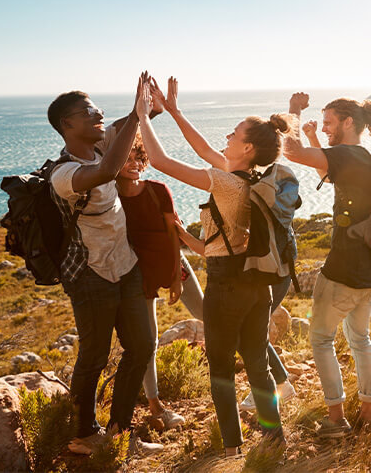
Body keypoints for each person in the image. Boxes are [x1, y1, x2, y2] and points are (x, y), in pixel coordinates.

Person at [134, 81, 288, 459]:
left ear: (247, 148)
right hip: (256, 285)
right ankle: (274, 439)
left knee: (220, 367)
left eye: (233, 134)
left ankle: (233, 448)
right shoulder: (250, 180)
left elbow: (161, 162)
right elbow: (215, 245)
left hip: (226, 288)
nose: (227, 137)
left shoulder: (224, 182)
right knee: (256, 363)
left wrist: (142, 117)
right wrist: (173, 111)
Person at [46, 73, 162, 456]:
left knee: (142, 345)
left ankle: (119, 433)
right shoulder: (63, 174)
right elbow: (109, 171)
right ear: (67, 124)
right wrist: (133, 115)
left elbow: (139, 121)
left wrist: (146, 108)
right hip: (90, 274)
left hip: (125, 265)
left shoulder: (103, 144)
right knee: (94, 355)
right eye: (88, 112)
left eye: (97, 109)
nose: (98, 115)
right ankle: (84, 435)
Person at [283, 93, 371, 438]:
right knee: (360, 339)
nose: (326, 127)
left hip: (344, 269)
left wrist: (294, 113)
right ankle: (368, 413)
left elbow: (291, 152)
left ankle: (335, 419)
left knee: (321, 340)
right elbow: (328, 174)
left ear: (348, 122)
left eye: (329, 122)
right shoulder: (362, 157)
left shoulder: (346, 154)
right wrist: (317, 137)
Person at [115, 134, 205, 430]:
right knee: (148, 341)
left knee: (208, 315)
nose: (134, 165)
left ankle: (254, 371)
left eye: (138, 158)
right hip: (137, 272)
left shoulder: (157, 190)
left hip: (171, 262)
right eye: (126, 159)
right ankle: (156, 405)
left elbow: (172, 236)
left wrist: (175, 279)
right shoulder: (109, 197)